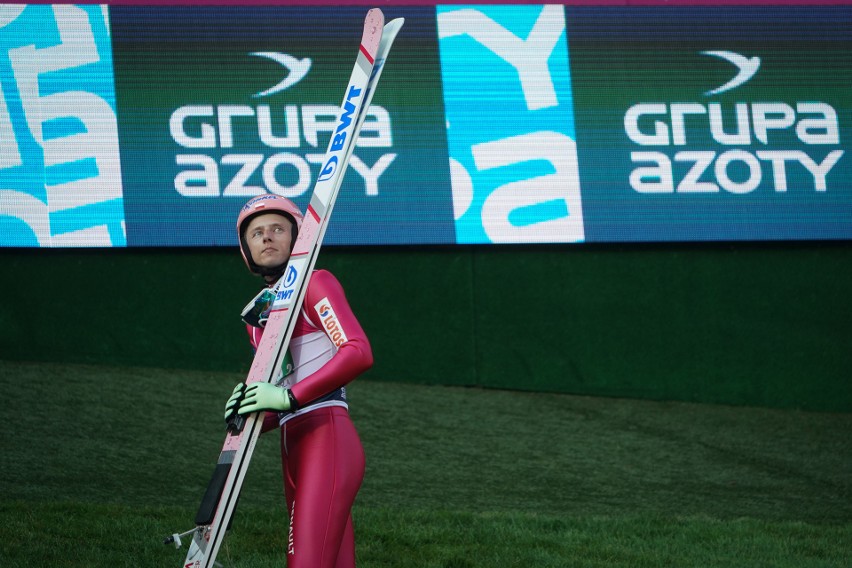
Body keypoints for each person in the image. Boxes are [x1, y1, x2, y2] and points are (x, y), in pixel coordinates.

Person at [224, 194, 372, 568]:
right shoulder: (258, 316)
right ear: (246, 249)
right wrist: (251, 408)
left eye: (277, 229)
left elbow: (357, 351)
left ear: (297, 237)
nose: (267, 237)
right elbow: (278, 401)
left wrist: (287, 397)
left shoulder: (315, 283)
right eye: (256, 233)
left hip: (327, 437)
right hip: (294, 448)